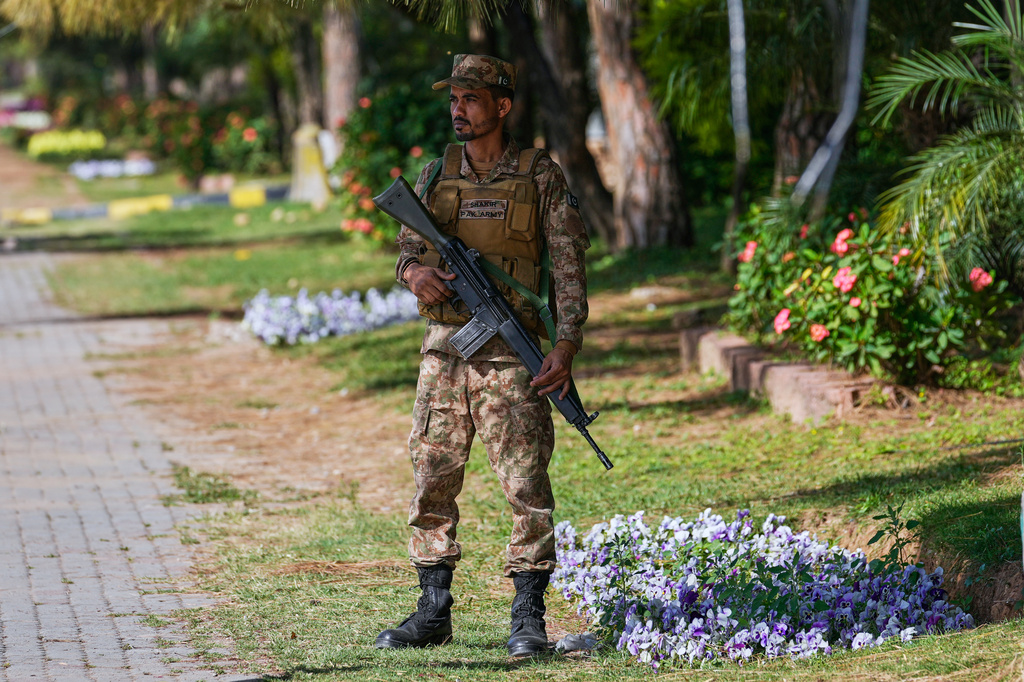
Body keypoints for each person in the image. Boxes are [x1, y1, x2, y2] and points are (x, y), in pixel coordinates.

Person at [375, 53, 591, 657]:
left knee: (526, 486)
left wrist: (566, 342)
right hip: (444, 355)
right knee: (433, 480)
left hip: (512, 362)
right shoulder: (434, 174)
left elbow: (569, 268)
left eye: (471, 99)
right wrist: (417, 274)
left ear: (502, 105)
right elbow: (406, 252)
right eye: (454, 99)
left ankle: (527, 617)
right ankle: (432, 610)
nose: (458, 110)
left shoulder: (540, 175)